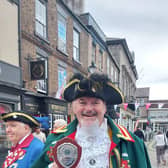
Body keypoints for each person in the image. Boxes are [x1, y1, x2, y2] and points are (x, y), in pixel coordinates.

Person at [31, 72, 151, 168]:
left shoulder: (132, 143)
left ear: (105, 108)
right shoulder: (55, 139)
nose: (88, 109)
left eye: (95, 103)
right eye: (82, 102)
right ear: (73, 107)